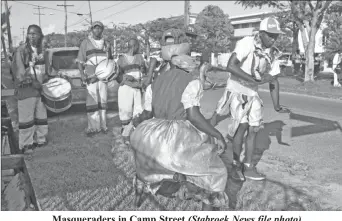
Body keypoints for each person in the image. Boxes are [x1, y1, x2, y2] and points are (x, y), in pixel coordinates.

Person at [130, 53, 231, 211]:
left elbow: (147, 113)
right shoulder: (192, 82)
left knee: (146, 167)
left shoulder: (155, 83)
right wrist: (217, 134)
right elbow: (193, 115)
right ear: (189, 68)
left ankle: (138, 198)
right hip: (177, 137)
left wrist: (136, 121)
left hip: (151, 135)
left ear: (172, 65)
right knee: (215, 172)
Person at [210, 17, 290, 181]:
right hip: (237, 90)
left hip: (252, 94)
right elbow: (231, 66)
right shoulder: (247, 43)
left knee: (253, 130)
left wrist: (277, 105)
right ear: (261, 33)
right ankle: (235, 166)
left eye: (276, 36)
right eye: (270, 35)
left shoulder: (272, 53)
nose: (273, 39)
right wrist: (253, 80)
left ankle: (248, 167)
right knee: (242, 127)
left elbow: (273, 79)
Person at [11, 24, 49, 153]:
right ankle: (26, 144)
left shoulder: (43, 52)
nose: (32, 36)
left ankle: (41, 139)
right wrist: (33, 82)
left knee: (41, 117)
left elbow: (47, 71)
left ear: (40, 35)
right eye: (30, 33)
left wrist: (56, 77)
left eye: (35, 33)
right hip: (26, 91)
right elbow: (20, 73)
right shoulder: (21, 51)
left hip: (40, 91)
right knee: (26, 119)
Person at [77, 21, 112, 137]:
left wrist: (110, 50)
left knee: (103, 102)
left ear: (102, 30)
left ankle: (103, 126)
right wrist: (82, 75)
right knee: (92, 103)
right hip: (90, 77)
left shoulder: (106, 43)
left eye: (99, 28)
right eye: (95, 28)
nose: (97, 30)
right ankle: (93, 128)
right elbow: (80, 61)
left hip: (103, 77)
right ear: (92, 30)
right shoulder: (85, 43)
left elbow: (110, 60)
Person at [116, 38, 146, 145]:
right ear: (134, 46)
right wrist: (124, 76)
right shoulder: (121, 59)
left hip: (137, 87)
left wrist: (142, 83)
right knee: (126, 111)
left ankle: (135, 135)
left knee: (138, 111)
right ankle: (125, 135)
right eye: (138, 46)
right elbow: (117, 76)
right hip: (126, 88)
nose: (139, 48)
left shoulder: (140, 58)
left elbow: (144, 72)